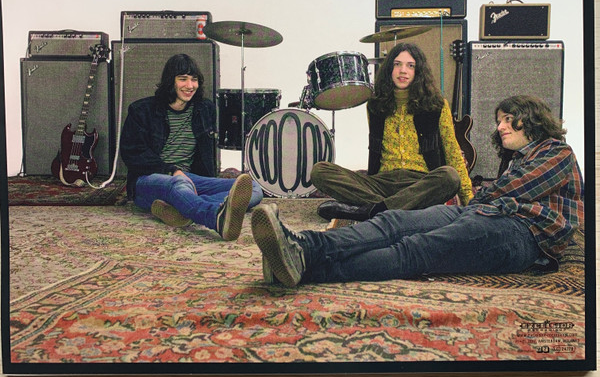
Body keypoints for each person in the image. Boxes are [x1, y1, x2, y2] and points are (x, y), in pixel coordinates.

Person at [251, 95, 584, 287]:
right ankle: (303, 246)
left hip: (522, 235)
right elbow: (497, 193)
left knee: (415, 249)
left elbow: (512, 189)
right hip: (482, 213)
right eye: (499, 120)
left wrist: (484, 194)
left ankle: (304, 270)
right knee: (393, 222)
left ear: (532, 120)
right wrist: (484, 196)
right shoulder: (518, 158)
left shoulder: (558, 152)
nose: (500, 126)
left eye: (509, 119)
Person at [311, 42, 473, 222]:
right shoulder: (375, 105)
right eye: (397, 64)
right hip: (381, 183)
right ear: (389, 69)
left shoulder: (437, 105)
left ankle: (372, 210)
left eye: (410, 66)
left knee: (450, 176)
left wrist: (470, 201)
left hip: (421, 184)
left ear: (418, 71)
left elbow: (453, 153)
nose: (403, 71)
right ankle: (393, 208)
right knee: (320, 171)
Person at [120, 53, 263, 240]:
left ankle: (181, 207)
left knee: (253, 187)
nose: (190, 86)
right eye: (183, 79)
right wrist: (171, 171)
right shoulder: (141, 110)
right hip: (149, 180)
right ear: (170, 81)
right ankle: (214, 217)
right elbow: (133, 154)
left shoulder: (204, 109)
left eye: (194, 80)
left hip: (189, 179)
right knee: (179, 184)